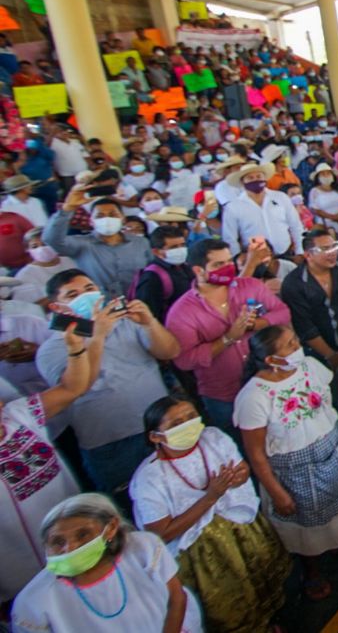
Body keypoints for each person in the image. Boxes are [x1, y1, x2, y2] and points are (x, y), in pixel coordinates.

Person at [130, 395, 290, 632]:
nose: (187, 425)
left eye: (191, 417)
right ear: (155, 436)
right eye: (175, 424)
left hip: (239, 527)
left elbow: (242, 468)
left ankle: (268, 623)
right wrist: (211, 497)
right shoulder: (149, 479)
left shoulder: (213, 438)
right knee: (231, 603)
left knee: (259, 582)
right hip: (202, 553)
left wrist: (239, 477)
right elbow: (161, 534)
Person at [235, 326, 338, 600]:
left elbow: (324, 401)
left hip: (331, 451)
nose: (298, 347)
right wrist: (277, 492)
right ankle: (311, 571)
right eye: (289, 345)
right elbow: (257, 454)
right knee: (305, 527)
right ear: (271, 360)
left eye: (295, 339)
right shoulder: (254, 397)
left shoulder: (309, 366)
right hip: (295, 471)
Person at [40, 269, 179, 495]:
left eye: (89, 289)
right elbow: (77, 388)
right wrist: (98, 336)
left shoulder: (128, 323)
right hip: (112, 443)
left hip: (163, 424)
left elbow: (170, 351)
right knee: (133, 502)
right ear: (57, 307)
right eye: (72, 295)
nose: (85, 297)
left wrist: (149, 322)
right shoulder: (52, 349)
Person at [0, 312, 103, 602]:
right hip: (20, 579)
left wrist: (75, 349)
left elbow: (73, 388)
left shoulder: (20, 413)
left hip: (79, 539)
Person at [11, 493, 203, 633]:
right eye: (58, 542)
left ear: (110, 528)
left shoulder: (143, 548)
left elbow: (177, 598)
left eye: (83, 535)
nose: (70, 548)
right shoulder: (33, 602)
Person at [165, 239, 292, 437]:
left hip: (267, 381)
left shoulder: (249, 286)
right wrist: (227, 339)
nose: (227, 268)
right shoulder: (182, 312)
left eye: (228, 262)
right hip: (224, 395)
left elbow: (282, 312)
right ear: (199, 271)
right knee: (239, 444)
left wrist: (256, 324)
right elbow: (184, 360)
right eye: (218, 265)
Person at [280, 228, 338, 373]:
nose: (332, 253)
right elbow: (304, 326)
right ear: (308, 255)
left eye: (334, 246)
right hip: (316, 345)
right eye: (324, 249)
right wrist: (330, 355)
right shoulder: (293, 283)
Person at [43, 188, 150, 299]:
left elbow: (150, 271)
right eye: (100, 216)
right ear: (91, 221)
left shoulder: (141, 242)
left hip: (139, 301)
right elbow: (51, 240)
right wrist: (67, 209)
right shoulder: (81, 244)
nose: (107, 219)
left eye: (113, 214)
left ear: (123, 219)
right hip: (100, 305)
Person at [219, 163, 305, 258]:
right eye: (250, 178)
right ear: (243, 182)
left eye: (259, 176)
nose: (256, 180)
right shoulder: (233, 206)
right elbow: (230, 238)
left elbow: (296, 226)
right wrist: (237, 258)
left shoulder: (280, 197)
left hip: (286, 253)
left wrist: (300, 251)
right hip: (254, 258)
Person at [132, 225, 195, 323]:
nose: (181, 250)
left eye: (183, 245)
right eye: (173, 247)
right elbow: (148, 316)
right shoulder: (152, 277)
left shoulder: (186, 267)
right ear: (156, 252)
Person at [307, 162, 338, 252]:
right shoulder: (314, 191)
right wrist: (333, 217)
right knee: (333, 247)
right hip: (326, 222)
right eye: (323, 174)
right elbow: (315, 209)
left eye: (328, 173)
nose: (326, 175)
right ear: (318, 177)